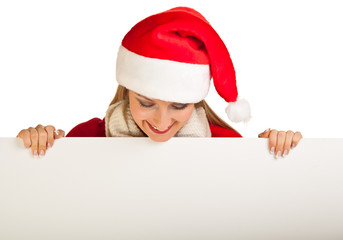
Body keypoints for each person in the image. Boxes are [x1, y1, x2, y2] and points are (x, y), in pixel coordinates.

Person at [17, 7, 302, 158]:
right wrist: (35, 145)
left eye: (177, 106)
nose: (161, 121)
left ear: (195, 100)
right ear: (128, 90)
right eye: (146, 102)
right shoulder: (88, 137)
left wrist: (275, 152)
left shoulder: (225, 145)